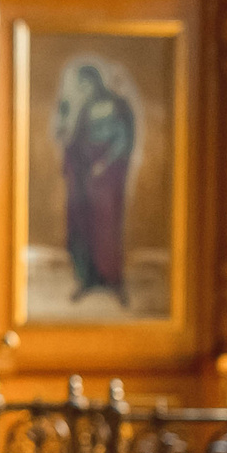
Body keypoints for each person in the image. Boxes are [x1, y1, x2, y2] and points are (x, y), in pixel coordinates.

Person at [57, 60, 138, 305]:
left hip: (108, 176)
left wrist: (104, 164)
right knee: (86, 225)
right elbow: (77, 142)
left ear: (95, 82)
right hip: (87, 176)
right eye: (81, 85)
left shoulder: (117, 104)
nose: (83, 88)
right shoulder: (86, 107)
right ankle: (89, 279)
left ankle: (112, 280)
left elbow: (123, 139)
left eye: (86, 83)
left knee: (107, 226)